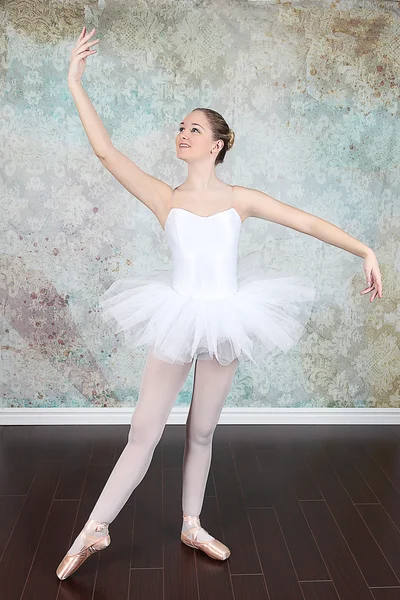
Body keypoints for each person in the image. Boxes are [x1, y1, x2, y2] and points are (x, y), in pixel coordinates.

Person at [56, 26, 383, 580]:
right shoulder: (166, 197)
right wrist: (74, 82)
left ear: (218, 145)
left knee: (202, 430)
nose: (183, 133)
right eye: (180, 126)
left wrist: (366, 249)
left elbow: (304, 220)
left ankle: (191, 523)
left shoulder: (241, 199)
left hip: (228, 317)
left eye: (195, 128)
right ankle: (95, 527)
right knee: (143, 431)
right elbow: (105, 151)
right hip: (178, 315)